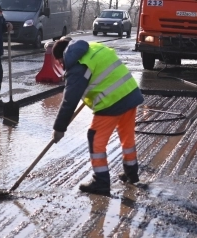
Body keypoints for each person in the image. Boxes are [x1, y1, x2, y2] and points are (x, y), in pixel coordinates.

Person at [50, 37, 145, 195]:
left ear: (61, 58)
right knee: (127, 137)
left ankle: (100, 182)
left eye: (60, 62)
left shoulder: (77, 65)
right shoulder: (93, 48)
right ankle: (132, 174)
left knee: (95, 140)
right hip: (129, 93)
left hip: (111, 102)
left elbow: (69, 100)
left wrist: (59, 128)